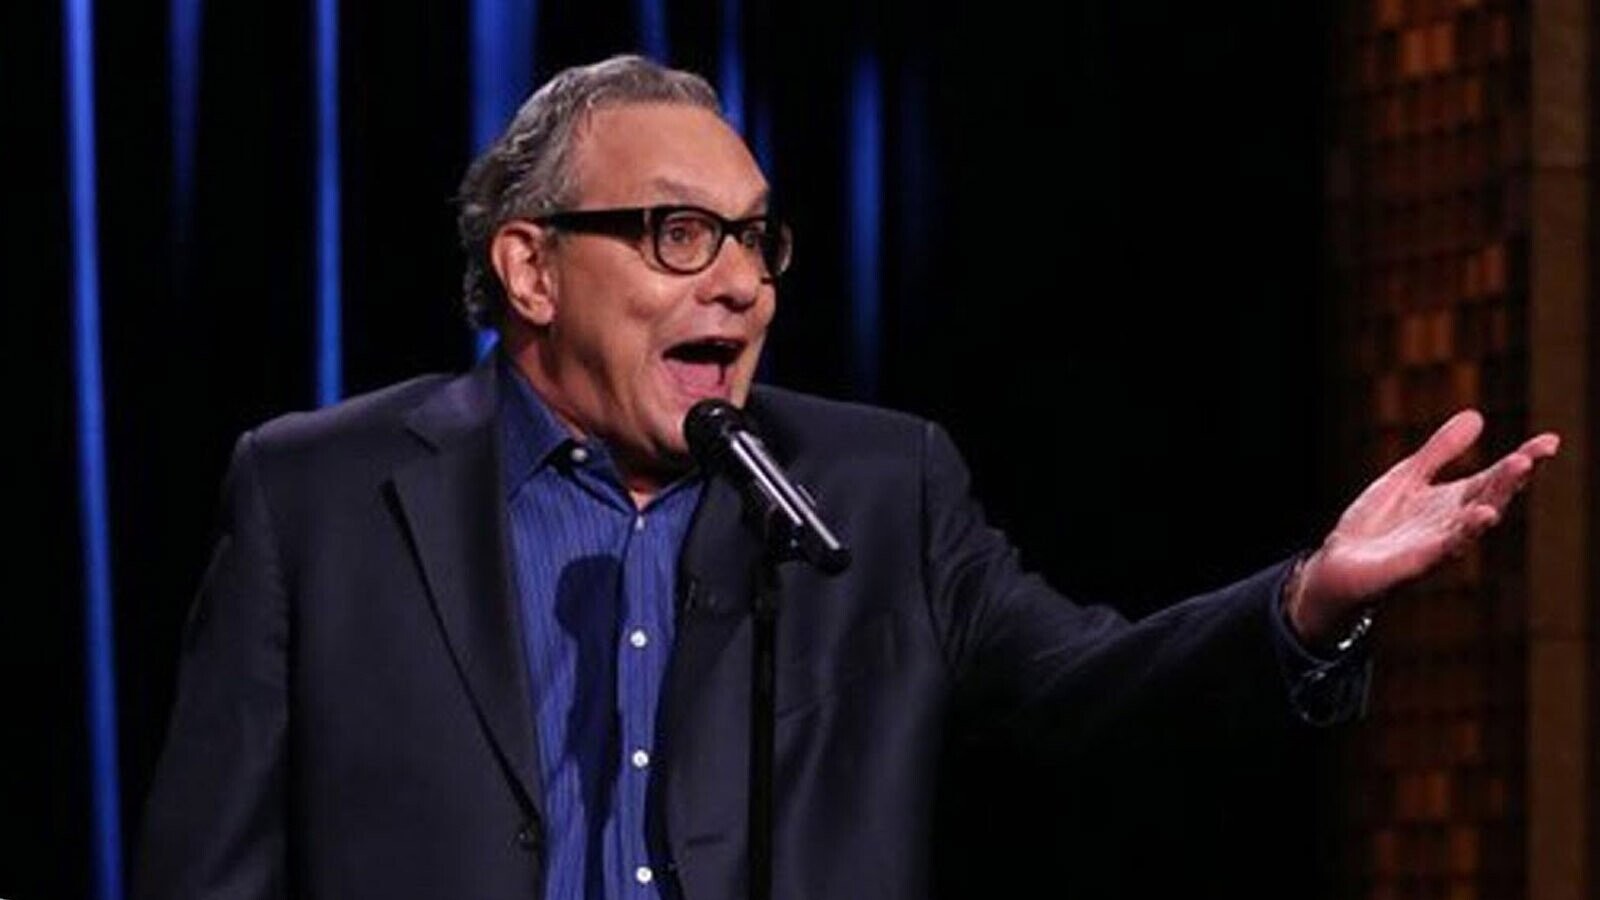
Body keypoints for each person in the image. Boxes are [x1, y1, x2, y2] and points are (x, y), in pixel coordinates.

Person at [134, 55, 1560, 900]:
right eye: (680, 236)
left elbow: (1091, 691)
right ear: (530, 269)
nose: (742, 285)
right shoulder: (317, 497)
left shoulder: (879, 489)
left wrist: (1309, 601)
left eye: (758, 241)